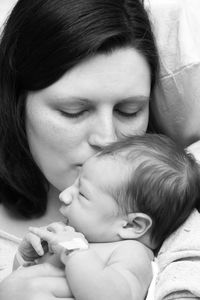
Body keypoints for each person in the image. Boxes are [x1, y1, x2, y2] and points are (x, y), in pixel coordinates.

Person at [0, 0, 160, 299]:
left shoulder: (171, 218)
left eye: (129, 110)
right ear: (17, 103)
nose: (107, 137)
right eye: (73, 111)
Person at [14, 134, 200, 300]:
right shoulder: (77, 236)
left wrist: (75, 250)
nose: (64, 195)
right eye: (75, 182)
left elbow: (111, 295)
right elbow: (25, 280)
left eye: (83, 194)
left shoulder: (131, 253)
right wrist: (26, 257)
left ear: (132, 225)